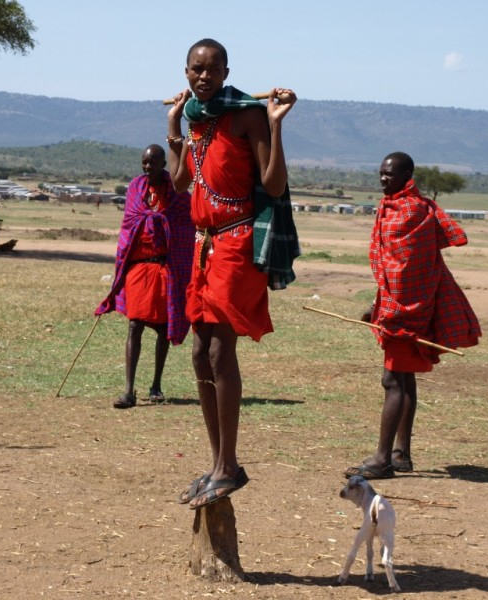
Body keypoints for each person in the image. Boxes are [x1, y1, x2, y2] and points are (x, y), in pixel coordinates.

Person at [166, 38, 298, 509]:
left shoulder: (248, 115)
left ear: (226, 72)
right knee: (200, 353)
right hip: (205, 245)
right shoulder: (198, 119)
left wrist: (277, 126)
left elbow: (274, 184)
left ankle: (228, 465)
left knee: (220, 351)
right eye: (196, 69)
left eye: (212, 69)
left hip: (237, 242)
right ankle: (221, 462)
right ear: (186, 73)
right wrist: (173, 130)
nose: (204, 76)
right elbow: (180, 182)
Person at [344, 152, 481, 479]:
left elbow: (407, 272)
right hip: (400, 307)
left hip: (408, 311)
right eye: (380, 173)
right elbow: (392, 272)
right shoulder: (397, 208)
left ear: (408, 175)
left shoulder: (411, 213)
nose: (383, 179)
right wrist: (378, 306)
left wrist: (389, 313)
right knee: (403, 378)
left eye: (390, 174)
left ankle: (382, 460)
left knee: (393, 380)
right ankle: (400, 453)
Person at [95, 144, 195, 408]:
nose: (148, 166)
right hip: (139, 267)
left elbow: (186, 229)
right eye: (144, 162)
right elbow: (129, 225)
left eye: (153, 162)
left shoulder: (178, 193)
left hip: (166, 268)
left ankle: (156, 386)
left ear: (164, 164)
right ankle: (128, 391)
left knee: (163, 328)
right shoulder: (135, 189)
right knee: (134, 324)